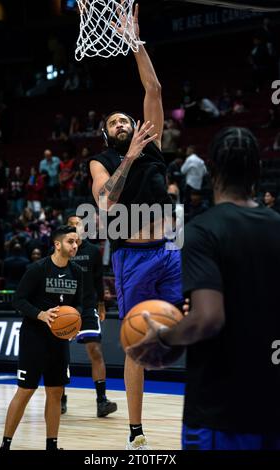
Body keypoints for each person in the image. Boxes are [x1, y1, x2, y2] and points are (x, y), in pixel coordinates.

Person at [127, 127, 280, 450]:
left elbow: (208, 318)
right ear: (259, 170)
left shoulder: (202, 231)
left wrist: (164, 337)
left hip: (219, 412)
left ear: (210, 171)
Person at [89, 4, 183, 450]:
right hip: (133, 254)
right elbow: (106, 203)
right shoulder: (104, 161)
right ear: (109, 136)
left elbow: (154, 86)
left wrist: (136, 41)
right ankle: (135, 429)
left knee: (195, 325)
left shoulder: (154, 143)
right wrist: (128, 157)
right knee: (134, 343)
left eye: (126, 118)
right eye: (115, 123)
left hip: (169, 249)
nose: (124, 122)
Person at [0, 225, 84, 451]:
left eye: (76, 242)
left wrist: (75, 325)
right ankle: (5, 445)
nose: (75, 246)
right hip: (34, 338)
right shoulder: (37, 269)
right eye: (70, 242)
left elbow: (78, 306)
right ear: (57, 244)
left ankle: (52, 445)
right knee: (26, 390)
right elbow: (18, 300)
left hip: (59, 341)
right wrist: (41, 314)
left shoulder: (76, 272)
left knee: (56, 392)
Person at [61, 214, 117, 418]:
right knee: (60, 356)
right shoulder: (61, 251)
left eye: (79, 225)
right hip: (64, 309)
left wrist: (101, 303)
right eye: (72, 224)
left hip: (87, 308)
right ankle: (60, 398)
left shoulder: (93, 251)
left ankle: (102, 401)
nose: (76, 227)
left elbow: (98, 279)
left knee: (95, 351)